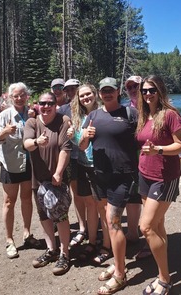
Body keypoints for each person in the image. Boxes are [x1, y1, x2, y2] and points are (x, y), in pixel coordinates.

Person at [80, 77, 138, 294]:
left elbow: (142, 138)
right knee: (109, 222)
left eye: (111, 90)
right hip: (100, 176)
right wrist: (84, 137)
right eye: (103, 91)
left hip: (123, 176)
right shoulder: (93, 115)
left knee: (113, 223)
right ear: (100, 94)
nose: (107, 94)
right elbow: (81, 144)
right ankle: (118, 262)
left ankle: (120, 275)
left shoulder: (130, 114)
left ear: (117, 91)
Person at [137, 75, 181, 295]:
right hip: (144, 174)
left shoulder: (170, 115)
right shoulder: (144, 115)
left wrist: (157, 149)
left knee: (146, 227)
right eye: (144, 91)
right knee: (157, 226)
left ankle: (164, 280)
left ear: (160, 91)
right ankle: (162, 269)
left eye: (152, 90)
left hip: (164, 178)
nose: (148, 94)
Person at [23, 91, 73, 276]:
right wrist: (37, 141)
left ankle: (65, 253)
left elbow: (65, 149)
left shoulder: (63, 120)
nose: (45, 107)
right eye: (42, 103)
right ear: (37, 105)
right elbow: (26, 144)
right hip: (38, 180)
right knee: (44, 215)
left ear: (55, 104)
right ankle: (51, 250)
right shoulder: (32, 122)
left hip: (57, 179)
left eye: (49, 103)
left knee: (60, 216)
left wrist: (59, 172)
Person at [0, 82, 38, 259]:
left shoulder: (32, 113)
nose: (19, 98)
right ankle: (9, 240)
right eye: (15, 96)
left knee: (27, 199)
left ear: (27, 96)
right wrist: (4, 132)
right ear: (10, 97)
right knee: (9, 201)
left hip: (28, 163)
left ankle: (27, 233)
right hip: (10, 165)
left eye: (22, 95)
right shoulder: (5, 115)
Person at [66, 83, 113, 265]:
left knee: (103, 207)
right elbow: (80, 143)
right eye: (82, 96)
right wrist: (73, 136)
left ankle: (107, 246)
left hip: (101, 166)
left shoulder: (104, 112)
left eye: (88, 94)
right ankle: (92, 241)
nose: (85, 98)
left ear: (95, 94)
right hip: (83, 164)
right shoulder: (78, 117)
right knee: (89, 205)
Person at [58, 78, 87, 248]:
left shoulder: (87, 106)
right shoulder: (62, 109)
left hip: (89, 157)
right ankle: (82, 227)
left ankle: (91, 225)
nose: (70, 92)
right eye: (67, 90)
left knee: (91, 196)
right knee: (76, 193)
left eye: (73, 89)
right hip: (72, 158)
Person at [122, 75, 145, 252]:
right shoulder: (127, 110)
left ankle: (152, 241)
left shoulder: (152, 107)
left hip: (150, 160)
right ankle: (132, 232)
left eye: (135, 86)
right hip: (131, 160)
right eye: (129, 87)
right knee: (133, 196)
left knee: (151, 201)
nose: (132, 90)